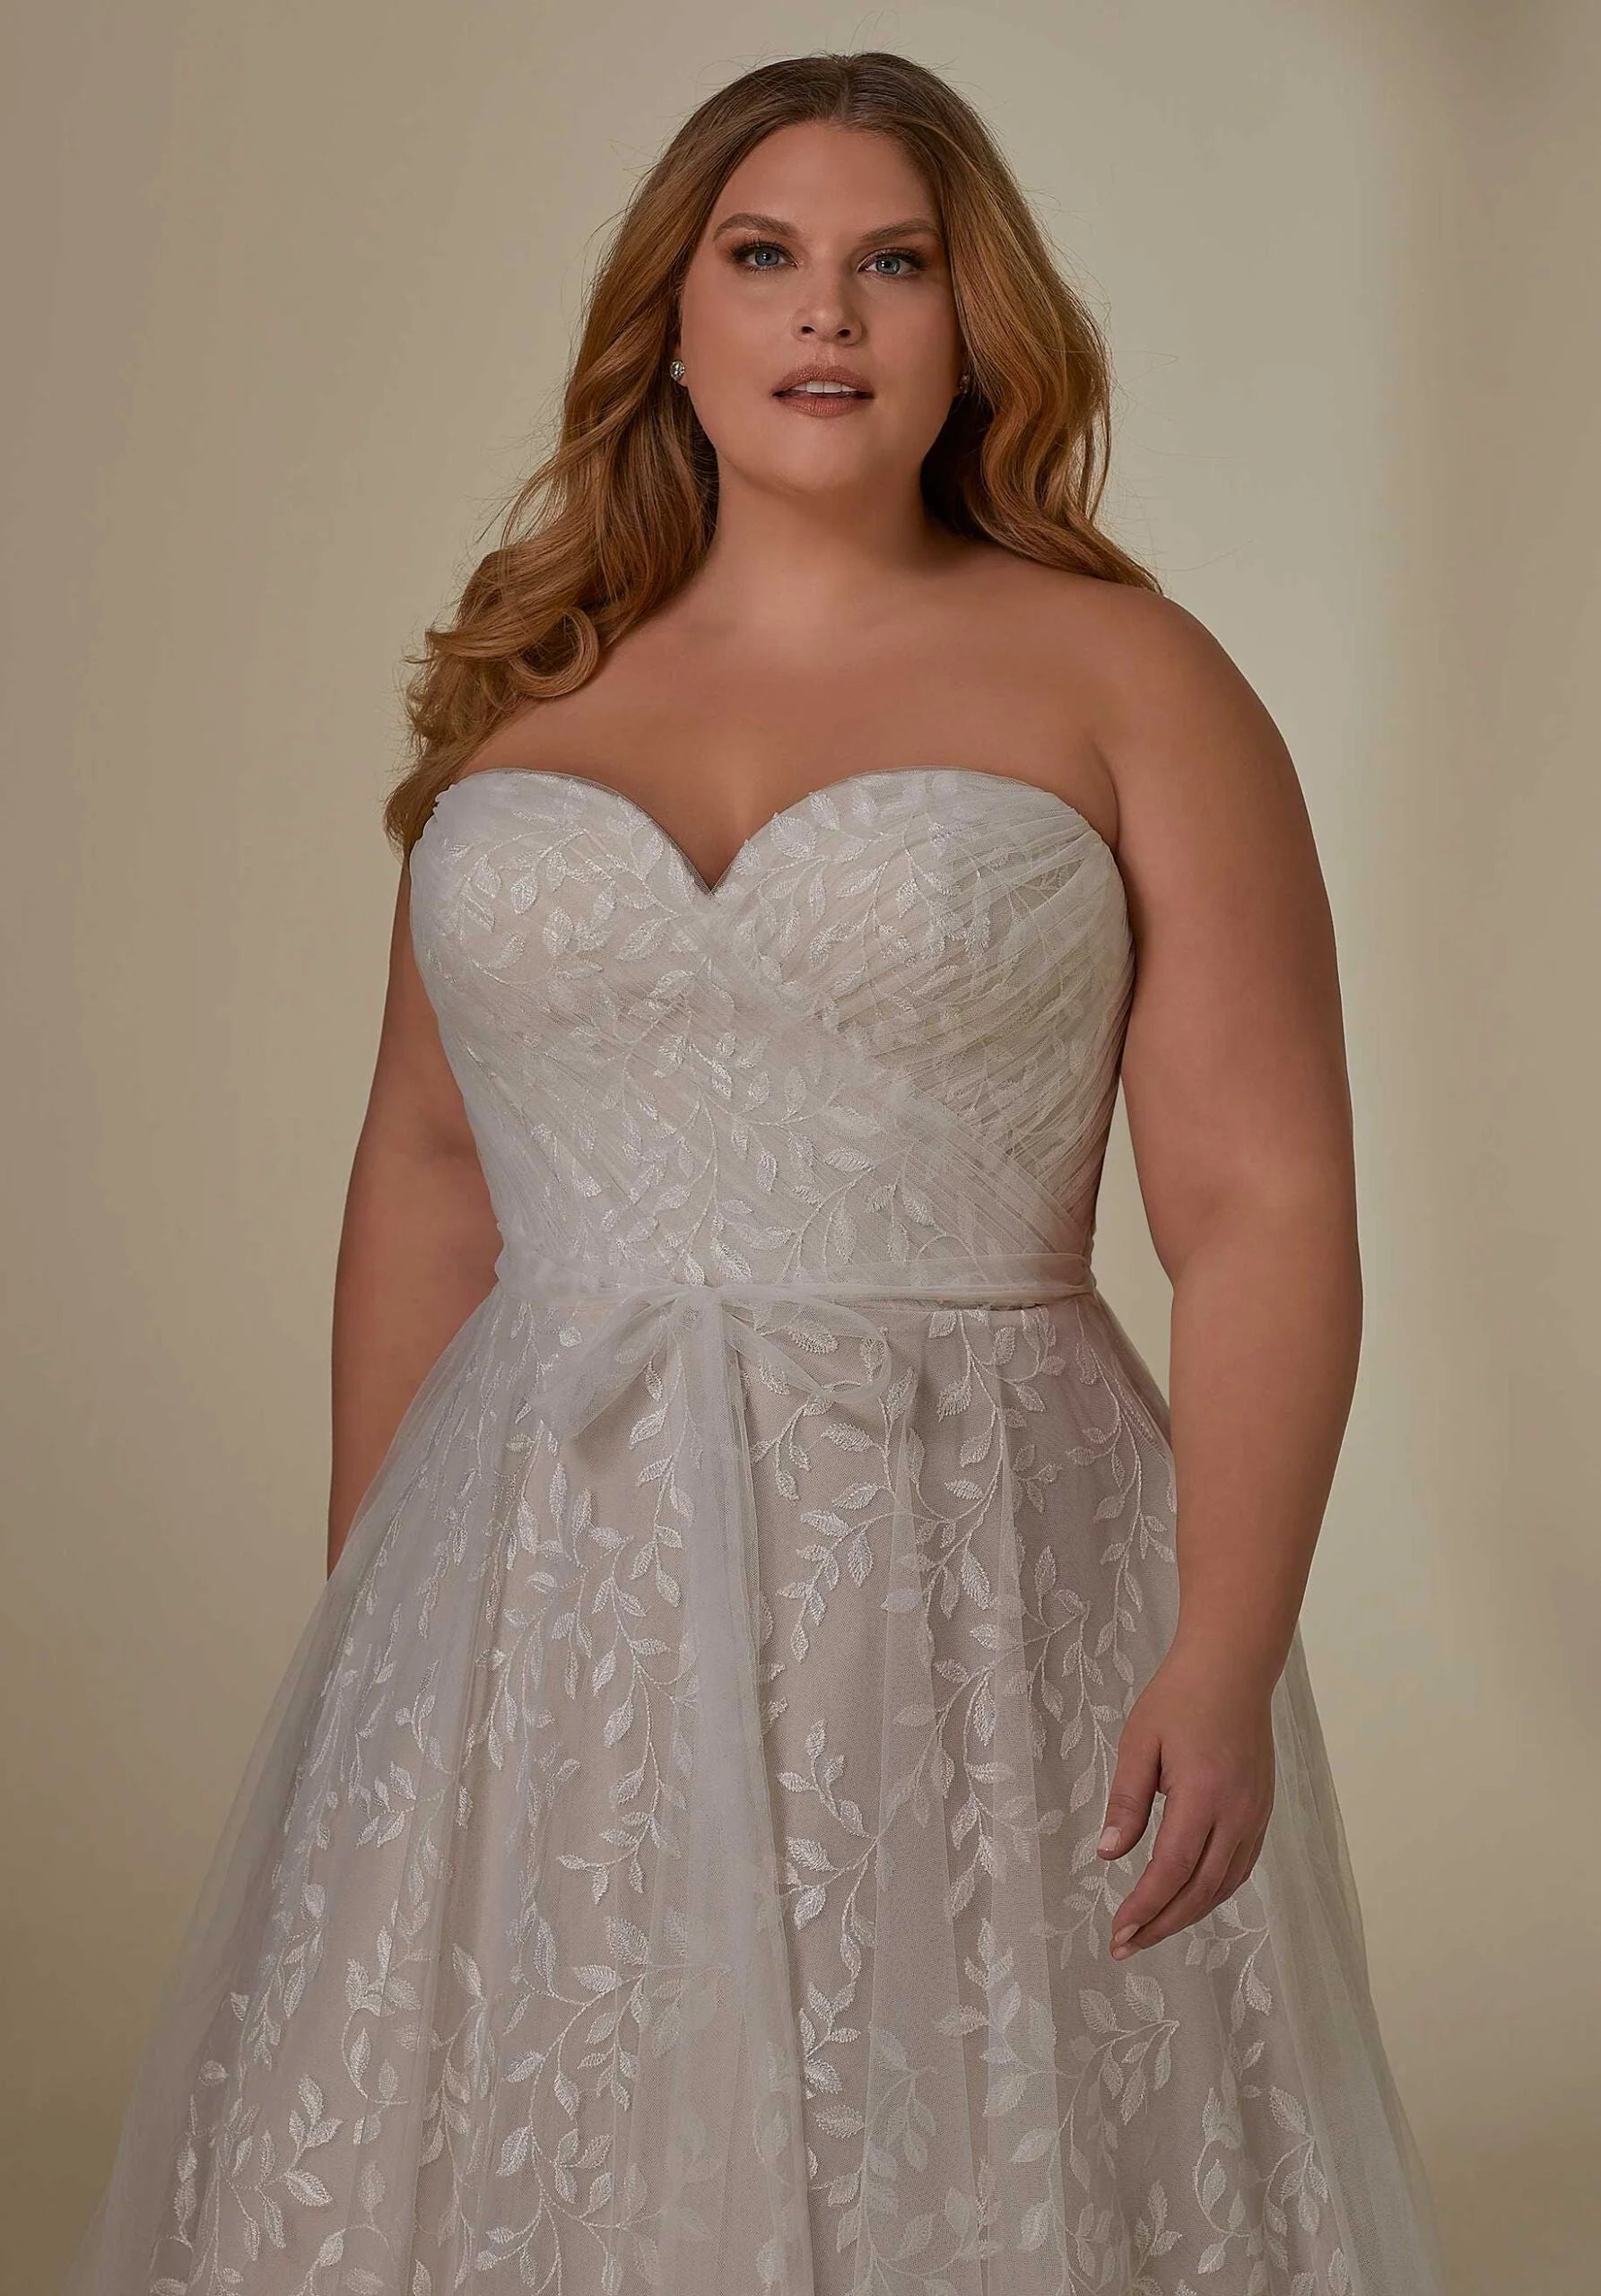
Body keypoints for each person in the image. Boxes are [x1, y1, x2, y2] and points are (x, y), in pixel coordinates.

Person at [64, 48, 1449, 2296]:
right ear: (675, 320)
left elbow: (1262, 1197)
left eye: (893, 262)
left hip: (979, 1543)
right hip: (538, 1566)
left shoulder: (1126, 675)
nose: (830, 313)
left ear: (970, 324)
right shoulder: (530, 687)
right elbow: (425, 1160)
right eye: (768, 257)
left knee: (954, 2127)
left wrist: (1226, 1633)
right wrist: (373, 1652)